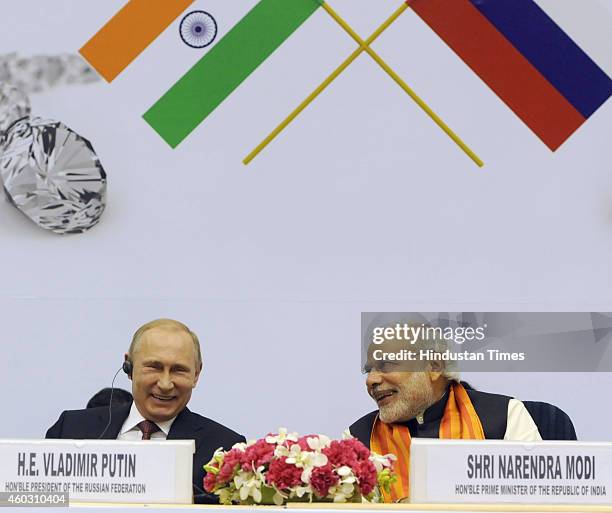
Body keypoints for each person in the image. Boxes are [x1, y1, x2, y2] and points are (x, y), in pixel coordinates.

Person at [46, 319, 245, 502]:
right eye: (154, 367)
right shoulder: (71, 429)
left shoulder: (225, 449)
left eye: (179, 370)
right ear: (129, 367)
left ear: (196, 374)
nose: (166, 384)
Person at [349, 332, 541, 503]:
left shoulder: (504, 415)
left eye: (386, 365)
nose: (371, 380)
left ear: (434, 366)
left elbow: (536, 500)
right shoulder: (358, 437)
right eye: (369, 370)